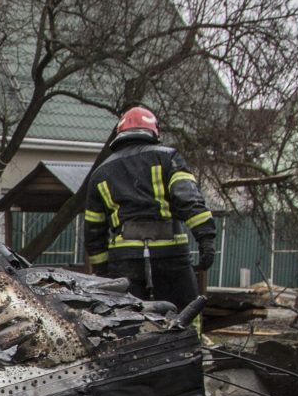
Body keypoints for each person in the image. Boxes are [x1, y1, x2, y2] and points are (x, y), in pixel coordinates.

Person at [80, 106, 214, 312]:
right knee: (185, 312)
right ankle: (187, 344)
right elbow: (189, 199)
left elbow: (93, 231)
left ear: (120, 134)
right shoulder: (168, 158)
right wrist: (206, 239)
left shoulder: (101, 173)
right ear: (154, 131)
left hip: (124, 261)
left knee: (127, 318)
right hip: (171, 256)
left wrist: (103, 271)